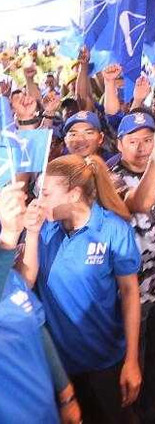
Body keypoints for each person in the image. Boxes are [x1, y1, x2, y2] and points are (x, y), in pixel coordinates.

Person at [19, 155, 141, 423]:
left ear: (74, 194)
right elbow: (26, 282)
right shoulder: (44, 230)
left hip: (105, 362)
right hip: (62, 369)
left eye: (47, 193)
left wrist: (132, 360)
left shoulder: (113, 230)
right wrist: (31, 233)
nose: (39, 200)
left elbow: (131, 295)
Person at [109, 111, 155, 424]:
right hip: (133, 294)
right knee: (133, 365)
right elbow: (140, 202)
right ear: (118, 144)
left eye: (148, 140)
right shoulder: (111, 177)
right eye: (132, 141)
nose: (141, 148)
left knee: (154, 355)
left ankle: (152, 411)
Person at [0, 182, 80, 424]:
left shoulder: (8, 274)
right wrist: (9, 239)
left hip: (44, 409)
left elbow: (34, 322)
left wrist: (66, 394)